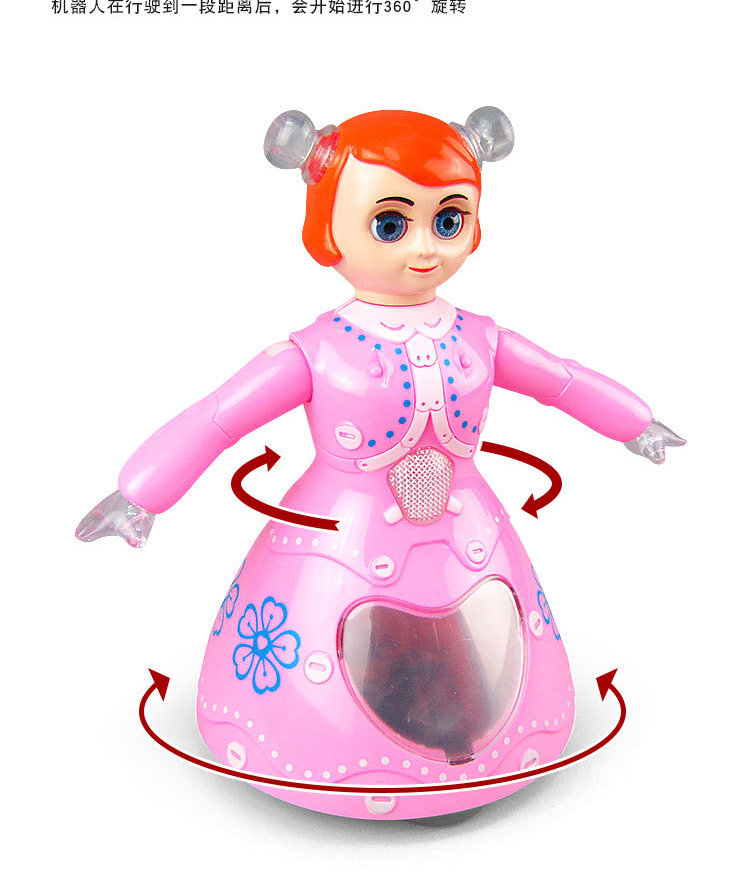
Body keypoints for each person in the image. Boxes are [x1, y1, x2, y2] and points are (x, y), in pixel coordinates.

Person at [76, 107, 684, 820]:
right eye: (392, 224)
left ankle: (495, 740)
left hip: (466, 532)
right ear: (329, 230)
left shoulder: (480, 337)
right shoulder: (317, 350)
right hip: (341, 538)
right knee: (321, 641)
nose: (424, 247)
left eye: (448, 220)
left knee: (496, 644)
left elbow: (562, 380)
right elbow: (220, 415)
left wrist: (635, 422)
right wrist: (142, 493)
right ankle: (310, 745)